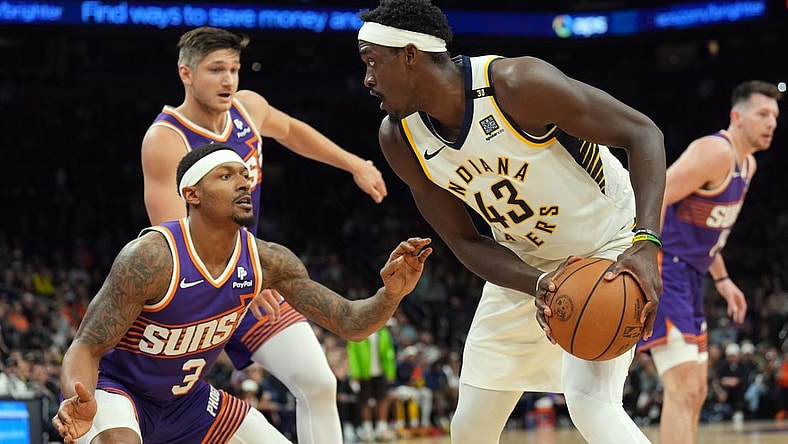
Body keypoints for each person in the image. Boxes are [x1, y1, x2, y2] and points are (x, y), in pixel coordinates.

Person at [355, 1, 666, 443]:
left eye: (372, 61)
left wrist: (646, 241)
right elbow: (465, 242)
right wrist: (538, 283)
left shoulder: (517, 84)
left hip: (608, 244)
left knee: (592, 405)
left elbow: (643, 133)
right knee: (469, 427)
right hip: (525, 262)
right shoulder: (399, 138)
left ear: (409, 55)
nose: (367, 79)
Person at [51, 144, 432, 444]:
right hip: (123, 394)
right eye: (226, 175)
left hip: (188, 401)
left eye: (246, 176)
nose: (243, 183)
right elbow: (86, 346)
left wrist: (390, 294)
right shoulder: (152, 257)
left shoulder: (268, 260)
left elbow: (350, 323)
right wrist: (78, 398)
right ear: (193, 193)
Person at [140, 26, 388, 444]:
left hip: (247, 277)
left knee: (319, 382)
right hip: (192, 292)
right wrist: (239, 269)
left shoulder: (248, 108)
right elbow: (172, 236)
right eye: (216, 69)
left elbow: (291, 131)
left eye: (234, 69)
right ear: (186, 73)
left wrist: (354, 164)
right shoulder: (166, 138)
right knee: (157, 409)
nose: (228, 80)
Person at [637, 80, 781, 443]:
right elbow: (659, 193)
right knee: (683, 386)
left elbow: (712, 237)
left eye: (775, 116)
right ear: (737, 116)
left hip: (692, 274)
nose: (771, 123)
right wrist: (646, 259)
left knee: (697, 389)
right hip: (665, 267)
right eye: (763, 114)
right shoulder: (715, 152)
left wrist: (723, 280)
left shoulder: (746, 166)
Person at [347, 324, 397, 442]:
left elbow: (390, 353)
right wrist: (355, 373)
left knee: (382, 400)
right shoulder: (358, 333)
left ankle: (381, 428)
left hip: (381, 372)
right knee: (365, 402)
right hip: (365, 373)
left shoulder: (384, 332)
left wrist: (390, 372)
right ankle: (367, 429)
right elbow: (352, 354)